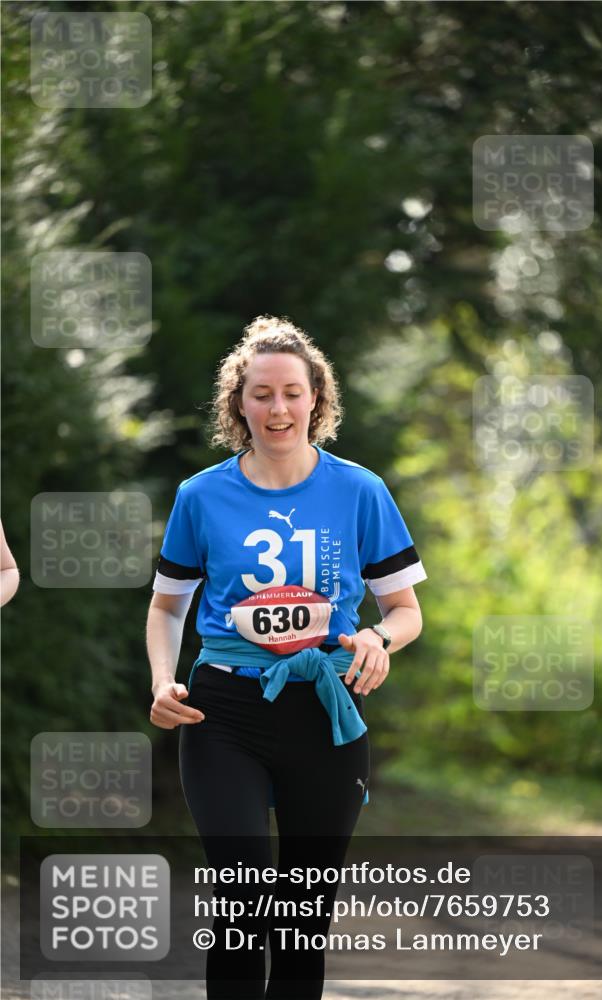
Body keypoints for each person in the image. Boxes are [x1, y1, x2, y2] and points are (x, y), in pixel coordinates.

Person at [147, 315, 427, 999]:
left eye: (293, 393)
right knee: (242, 902)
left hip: (325, 710)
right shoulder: (200, 495)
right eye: (262, 394)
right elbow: (165, 607)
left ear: (317, 399)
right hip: (224, 710)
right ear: (238, 403)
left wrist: (375, 638)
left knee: (303, 918)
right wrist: (161, 678)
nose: (278, 409)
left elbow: (405, 611)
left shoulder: (360, 491)